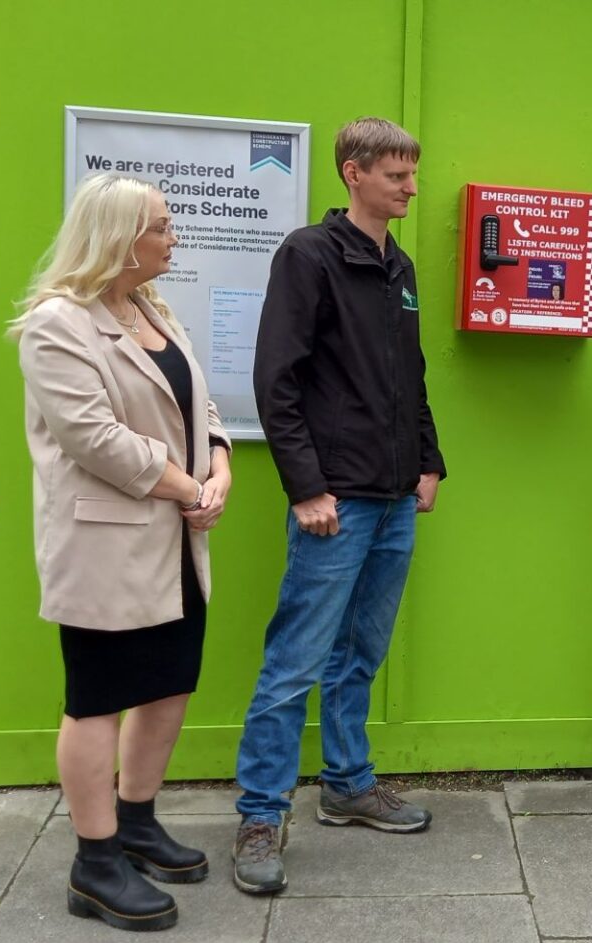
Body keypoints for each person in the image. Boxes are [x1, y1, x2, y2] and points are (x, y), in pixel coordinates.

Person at [12, 174, 234, 931]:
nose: (174, 238)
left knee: (168, 683)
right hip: (106, 544)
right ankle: (96, 860)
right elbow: (94, 438)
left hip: (175, 538)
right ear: (118, 237)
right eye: (161, 227)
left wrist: (222, 465)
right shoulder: (57, 324)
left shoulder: (151, 308)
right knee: (98, 697)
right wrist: (189, 487)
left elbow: (199, 404)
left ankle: (136, 820)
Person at [233, 117, 446, 894]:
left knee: (360, 653)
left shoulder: (400, 267)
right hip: (336, 502)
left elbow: (410, 377)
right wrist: (306, 487)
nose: (412, 187)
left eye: (412, 173)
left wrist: (429, 462)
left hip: (394, 498)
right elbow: (276, 381)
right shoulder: (309, 256)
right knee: (295, 662)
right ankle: (260, 816)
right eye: (397, 175)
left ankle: (348, 785)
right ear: (354, 174)